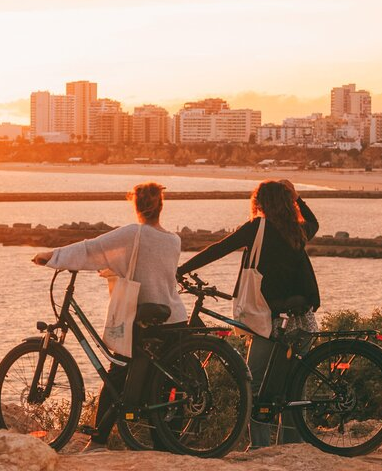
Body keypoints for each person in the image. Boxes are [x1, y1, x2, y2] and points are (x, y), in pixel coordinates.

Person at [32, 181, 188, 452]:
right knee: (164, 383)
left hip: (144, 318)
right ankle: (167, 445)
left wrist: (52, 257)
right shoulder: (174, 240)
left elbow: (91, 249)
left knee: (117, 371)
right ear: (161, 206)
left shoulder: (133, 234)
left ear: (136, 206)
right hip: (173, 318)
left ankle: (98, 441)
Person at [176, 179, 320, 448]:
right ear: (288, 202)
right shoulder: (296, 230)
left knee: (253, 383)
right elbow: (314, 223)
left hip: (271, 320)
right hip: (303, 320)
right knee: (293, 384)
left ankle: (260, 447)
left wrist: (182, 269)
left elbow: (219, 248)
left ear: (260, 203)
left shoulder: (258, 228)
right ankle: (292, 445)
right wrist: (298, 198)